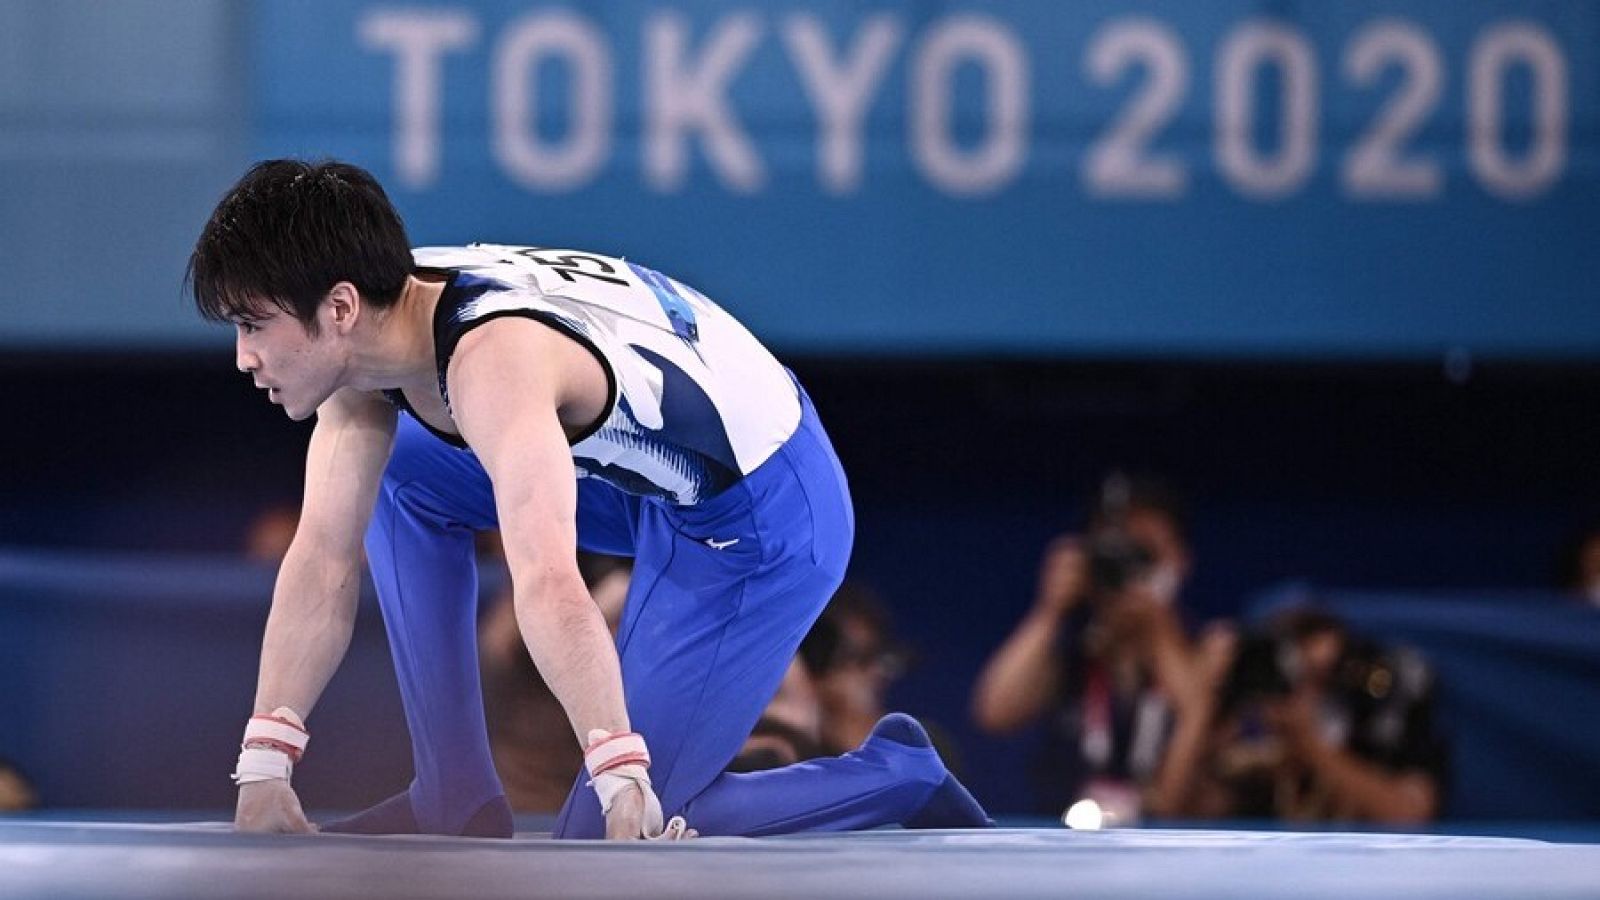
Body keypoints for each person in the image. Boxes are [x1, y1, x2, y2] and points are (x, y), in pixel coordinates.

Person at [187, 159, 988, 839]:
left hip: (765, 505)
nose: (243, 357)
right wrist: (264, 769)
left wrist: (619, 769)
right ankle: (453, 794)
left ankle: (900, 772)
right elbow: (324, 557)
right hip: (649, 472)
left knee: (615, 828)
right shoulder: (372, 327)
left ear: (339, 308)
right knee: (403, 475)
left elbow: (546, 578)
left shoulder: (493, 362)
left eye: (253, 326)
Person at [971, 473, 1211, 822]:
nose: (1127, 569)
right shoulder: (1073, 649)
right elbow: (995, 712)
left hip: (1171, 845)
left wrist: (1157, 628)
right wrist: (1049, 611)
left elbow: (1193, 729)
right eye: (1113, 553)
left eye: (1144, 553)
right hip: (1068, 843)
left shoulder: (1206, 648)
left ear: (1180, 561)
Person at [1183, 606, 1447, 824]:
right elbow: (1181, 810)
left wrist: (1312, 748)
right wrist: (1201, 706)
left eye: (1325, 678)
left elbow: (1411, 813)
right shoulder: (1242, 726)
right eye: (1299, 678)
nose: (1309, 695)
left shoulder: (1379, 716)